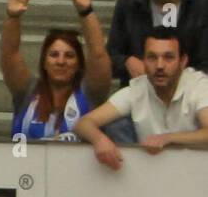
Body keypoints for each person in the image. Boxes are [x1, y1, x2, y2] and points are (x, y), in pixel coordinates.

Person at [74, 27, 208, 170]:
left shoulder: (199, 85)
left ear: (183, 61)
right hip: (148, 175)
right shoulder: (136, 90)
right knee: (116, 127)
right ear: (143, 60)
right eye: (152, 57)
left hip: (196, 176)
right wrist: (99, 140)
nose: (160, 65)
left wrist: (168, 138)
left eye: (168, 57)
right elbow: (83, 123)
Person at [1, 0, 111, 141]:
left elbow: (98, 54)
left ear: (79, 63)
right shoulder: (28, 91)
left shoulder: (91, 93)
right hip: (21, 165)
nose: (61, 61)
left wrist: (86, 11)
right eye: (54, 55)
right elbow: (10, 55)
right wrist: (13, 17)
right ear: (44, 62)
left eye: (69, 56)